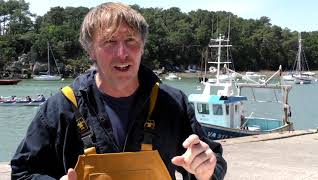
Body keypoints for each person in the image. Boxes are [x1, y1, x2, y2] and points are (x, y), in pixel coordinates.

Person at [11, 2, 227, 180]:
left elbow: (213, 159)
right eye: (109, 41)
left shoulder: (172, 102)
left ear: (142, 46)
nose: (122, 53)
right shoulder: (59, 108)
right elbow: (23, 172)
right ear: (90, 51)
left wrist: (206, 171)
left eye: (130, 40)